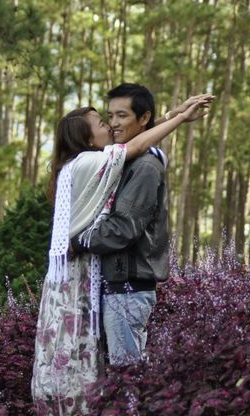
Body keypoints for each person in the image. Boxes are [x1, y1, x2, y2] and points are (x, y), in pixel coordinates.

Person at [32, 94, 211, 415]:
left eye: (115, 119)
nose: (111, 126)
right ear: (87, 139)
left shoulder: (77, 164)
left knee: (80, 352)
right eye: (103, 123)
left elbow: (134, 139)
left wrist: (171, 114)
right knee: (79, 355)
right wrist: (180, 120)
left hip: (75, 275)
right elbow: (137, 145)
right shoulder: (88, 162)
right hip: (77, 276)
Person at [71, 83, 212, 367]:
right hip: (117, 286)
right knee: (119, 374)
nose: (113, 124)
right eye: (110, 116)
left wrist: (78, 240)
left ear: (143, 117)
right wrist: (175, 114)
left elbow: (123, 229)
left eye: (122, 116)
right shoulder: (125, 158)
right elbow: (134, 141)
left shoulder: (145, 167)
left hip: (128, 288)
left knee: (126, 375)